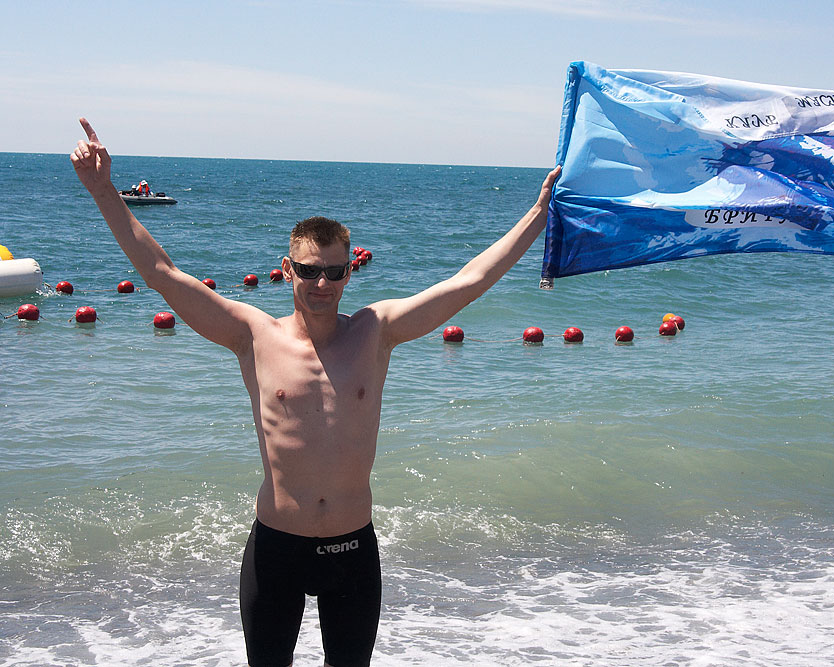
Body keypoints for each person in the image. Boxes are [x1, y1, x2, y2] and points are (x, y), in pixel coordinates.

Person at [71, 116, 560, 667]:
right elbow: (162, 272)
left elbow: (468, 281)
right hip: (277, 546)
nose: (322, 283)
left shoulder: (376, 331)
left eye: (334, 272)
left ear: (350, 272)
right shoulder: (252, 335)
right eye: (308, 271)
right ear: (288, 270)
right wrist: (103, 191)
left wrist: (539, 213)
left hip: (352, 549)